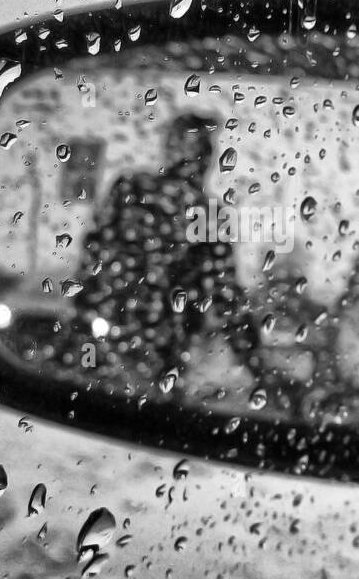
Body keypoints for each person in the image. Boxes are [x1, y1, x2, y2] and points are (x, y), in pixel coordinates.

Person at [73, 113, 263, 387]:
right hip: (159, 351)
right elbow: (225, 295)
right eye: (206, 148)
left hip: (101, 337)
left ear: (169, 151)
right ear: (205, 156)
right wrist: (255, 362)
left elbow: (91, 255)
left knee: (87, 399)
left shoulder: (129, 187)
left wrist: (83, 317)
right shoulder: (207, 214)